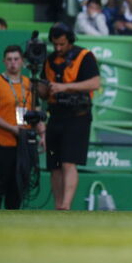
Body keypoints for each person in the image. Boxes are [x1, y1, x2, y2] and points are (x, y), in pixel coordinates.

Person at [37, 23, 101, 210]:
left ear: (70, 41)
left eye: (62, 44)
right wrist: (39, 86)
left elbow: (95, 83)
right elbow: (42, 93)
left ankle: (65, 205)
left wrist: (65, 87)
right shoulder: (49, 60)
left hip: (77, 115)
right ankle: (58, 205)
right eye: (55, 44)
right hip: (55, 114)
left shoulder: (84, 56)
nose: (58, 48)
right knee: (54, 165)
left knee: (68, 162)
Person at [0, 45, 43, 210]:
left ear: (22, 62)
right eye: (9, 60)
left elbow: (36, 111)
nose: (13, 63)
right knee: (0, 180)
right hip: (1, 140)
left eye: (16, 59)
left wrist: (43, 134)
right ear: (4, 62)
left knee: (19, 183)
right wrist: (12, 128)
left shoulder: (29, 84)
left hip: (24, 141)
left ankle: (12, 217)